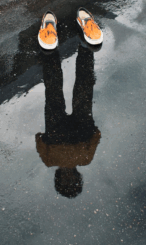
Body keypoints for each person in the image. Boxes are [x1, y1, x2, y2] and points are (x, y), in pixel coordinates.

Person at [36, 36, 102, 198]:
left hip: (82, 130)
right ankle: (50, 52)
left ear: (78, 176)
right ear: (57, 177)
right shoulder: (49, 160)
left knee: (84, 88)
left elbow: (96, 135)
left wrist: (91, 130)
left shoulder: (86, 159)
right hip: (55, 131)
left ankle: (85, 48)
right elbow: (39, 139)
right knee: (53, 91)